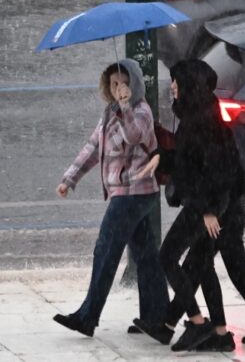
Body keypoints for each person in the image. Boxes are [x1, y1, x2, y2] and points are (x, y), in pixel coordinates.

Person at [134, 59, 245, 351]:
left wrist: (209, 211)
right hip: (218, 206)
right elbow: (187, 160)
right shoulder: (197, 115)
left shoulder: (201, 121)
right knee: (200, 265)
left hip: (220, 209)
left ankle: (218, 325)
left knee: (212, 265)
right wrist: (161, 156)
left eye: (176, 80)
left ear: (189, 85)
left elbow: (219, 171)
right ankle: (208, 330)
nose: (172, 85)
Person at [52, 60, 168, 337]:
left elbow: (134, 135)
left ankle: (87, 316)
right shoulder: (109, 113)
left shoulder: (141, 110)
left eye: (124, 83)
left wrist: (126, 108)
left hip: (134, 193)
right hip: (126, 193)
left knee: (105, 251)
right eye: (114, 84)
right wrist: (70, 179)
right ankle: (158, 319)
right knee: (146, 256)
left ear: (134, 84)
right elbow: (93, 148)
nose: (119, 89)